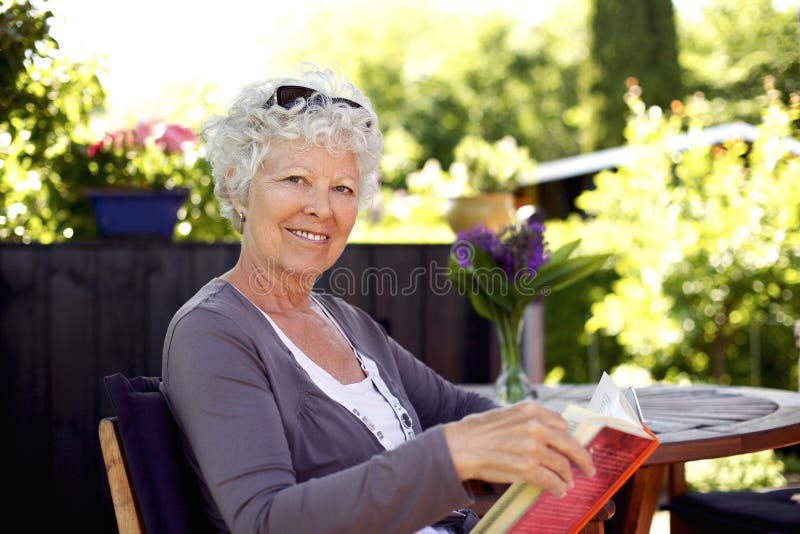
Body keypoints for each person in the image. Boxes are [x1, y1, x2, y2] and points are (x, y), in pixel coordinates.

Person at [160, 65, 595, 534]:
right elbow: (267, 521)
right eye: (295, 179)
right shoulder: (212, 334)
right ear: (235, 187)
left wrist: (548, 442)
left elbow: (455, 411)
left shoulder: (348, 323)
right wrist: (452, 454)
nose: (322, 208)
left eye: (341, 189)